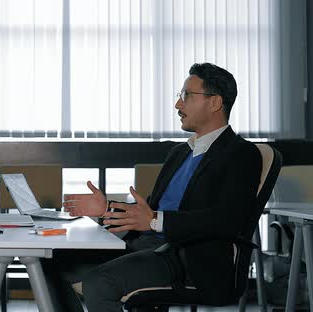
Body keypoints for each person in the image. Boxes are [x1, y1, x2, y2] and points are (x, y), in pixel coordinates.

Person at [44, 63, 262, 312]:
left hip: (188, 258)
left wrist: (155, 221)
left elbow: (226, 220)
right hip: (148, 246)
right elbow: (149, 212)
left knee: (99, 283)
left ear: (214, 103)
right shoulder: (180, 153)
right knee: (52, 262)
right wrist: (106, 208)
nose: (178, 105)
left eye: (186, 96)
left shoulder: (241, 154)